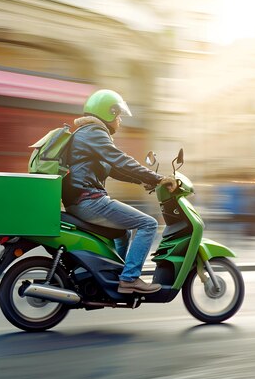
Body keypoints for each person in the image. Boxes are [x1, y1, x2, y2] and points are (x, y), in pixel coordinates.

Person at [62, 89, 176, 294]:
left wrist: (143, 181)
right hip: (89, 199)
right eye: (119, 114)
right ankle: (130, 278)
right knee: (148, 224)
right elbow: (120, 160)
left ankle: (114, 275)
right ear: (109, 112)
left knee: (122, 233)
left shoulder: (87, 133)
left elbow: (114, 169)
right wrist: (157, 178)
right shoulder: (94, 132)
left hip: (81, 199)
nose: (120, 120)